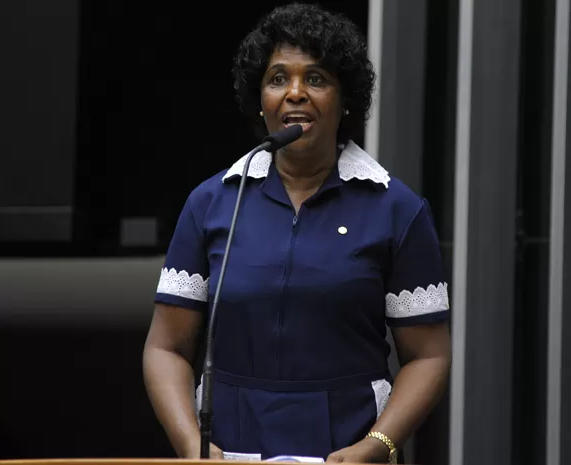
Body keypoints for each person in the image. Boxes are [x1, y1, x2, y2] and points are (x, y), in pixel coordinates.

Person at [143, 2, 451, 463]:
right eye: (278, 79)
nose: (295, 93)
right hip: (230, 448)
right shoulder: (211, 203)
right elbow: (166, 347)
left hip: (349, 446)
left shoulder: (396, 208)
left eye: (317, 79)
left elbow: (428, 356)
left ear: (345, 99)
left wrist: (378, 446)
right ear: (260, 100)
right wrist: (192, 446)